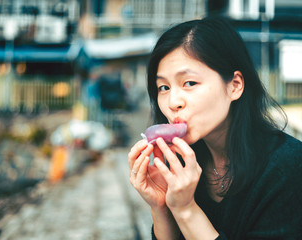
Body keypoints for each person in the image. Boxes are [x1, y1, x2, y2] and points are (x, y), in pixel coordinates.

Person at [128, 16, 302, 240]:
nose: (173, 102)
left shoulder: (289, 168)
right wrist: (161, 206)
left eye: (189, 83)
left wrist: (186, 209)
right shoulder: (182, 166)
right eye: (163, 87)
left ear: (235, 86)